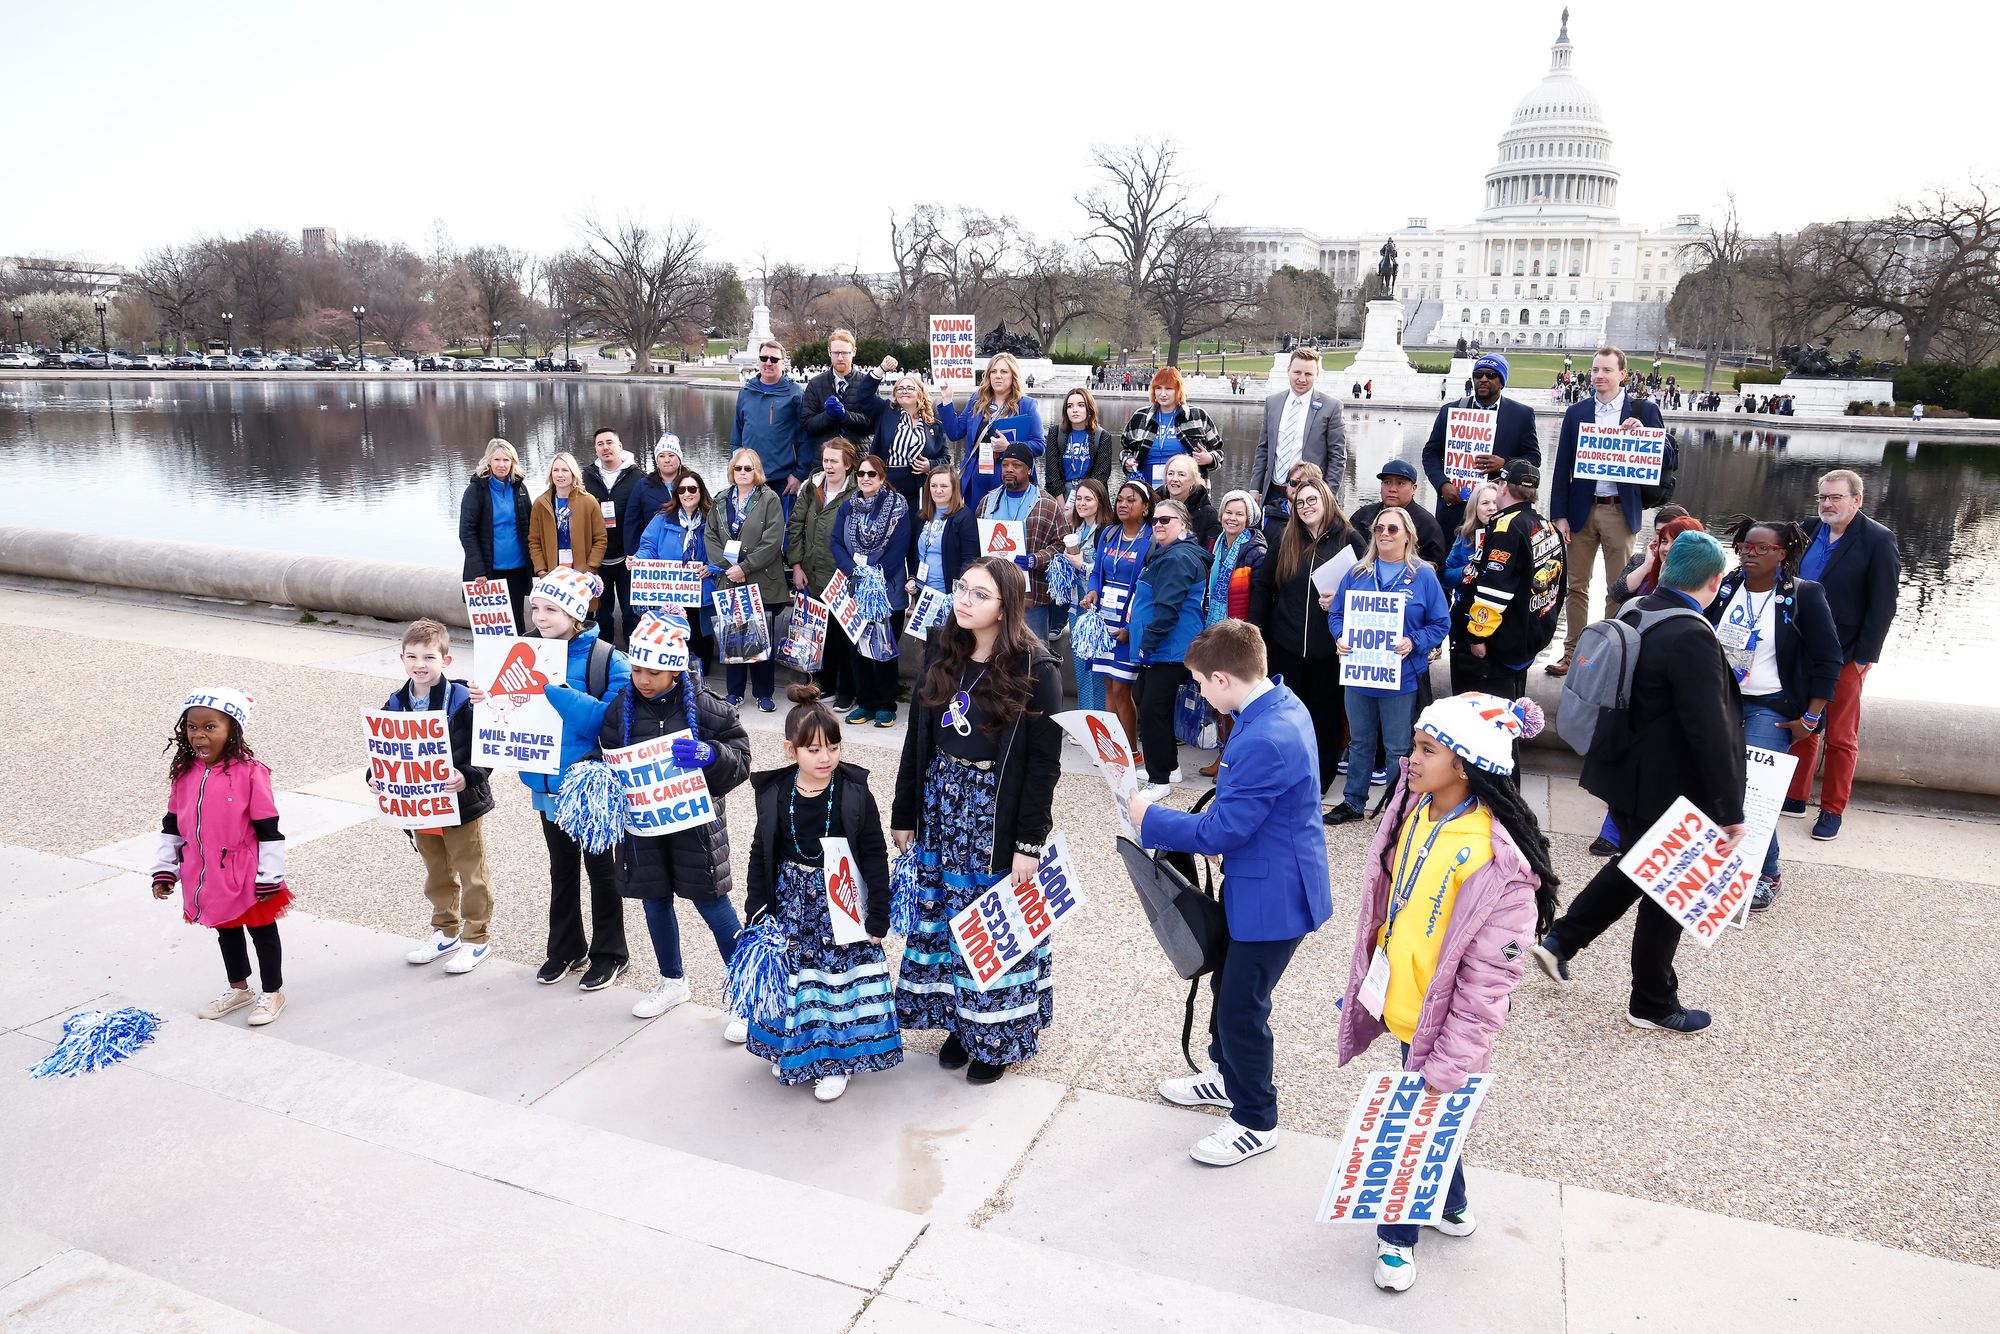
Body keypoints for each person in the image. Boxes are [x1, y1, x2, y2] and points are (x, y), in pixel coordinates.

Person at [1335, 692, 1557, 1293]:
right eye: (1414, 745)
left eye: (1427, 749)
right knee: (1431, 1117)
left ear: (1466, 763)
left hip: (1444, 1023)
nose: (1410, 758)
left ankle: (1397, 1238)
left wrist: (1455, 1058)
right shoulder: (1414, 806)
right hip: (1404, 1004)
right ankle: (1452, 1203)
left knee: (1411, 1126)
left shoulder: (1496, 860)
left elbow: (1490, 983)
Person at [1132, 621, 1334, 1166]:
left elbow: (1223, 830)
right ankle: (1225, 1075)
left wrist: (1149, 818)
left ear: (1223, 678)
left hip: (1275, 895)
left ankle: (1254, 1118)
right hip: (1270, 877)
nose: (1199, 692)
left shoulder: (1265, 734)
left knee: (1243, 1004)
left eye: (1200, 682)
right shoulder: (1278, 705)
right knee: (1230, 983)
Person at [1532, 532, 1745, 1035]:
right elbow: (1708, 729)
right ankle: (1651, 1000)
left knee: (1638, 868)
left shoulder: (1636, 611)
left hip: (1621, 772)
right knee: (1668, 889)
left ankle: (1563, 940)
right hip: (1668, 782)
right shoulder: (1692, 635)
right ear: (1714, 581)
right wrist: (1730, 807)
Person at [892, 558, 1063, 1085]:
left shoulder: (1039, 669)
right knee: (946, 920)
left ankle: (996, 1039)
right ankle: (959, 1024)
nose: (964, 599)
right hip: (944, 802)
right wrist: (905, 810)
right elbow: (916, 739)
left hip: (994, 813)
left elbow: (1043, 766)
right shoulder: (945, 651)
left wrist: (1029, 843)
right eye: (962, 588)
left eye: (980, 594)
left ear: (1007, 607)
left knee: (991, 926)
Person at [474, 567, 633, 991]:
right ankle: (565, 948)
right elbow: (510, 715)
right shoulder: (521, 650)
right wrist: (485, 698)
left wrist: (556, 689)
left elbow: (611, 721)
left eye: (551, 608)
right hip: (545, 782)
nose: (539, 616)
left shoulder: (606, 658)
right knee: (561, 871)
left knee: (602, 872)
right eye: (536, 607)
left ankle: (610, 953)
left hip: (589, 787)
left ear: (576, 612)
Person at [744, 685, 901, 1101]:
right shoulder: (775, 793)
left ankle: (836, 1060)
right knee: (796, 977)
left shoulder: (852, 791)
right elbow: (761, 850)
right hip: (792, 897)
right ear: (789, 749)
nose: (826, 757)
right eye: (813, 750)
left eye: (833, 747)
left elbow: (873, 852)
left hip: (841, 897)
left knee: (836, 981)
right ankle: (792, 1047)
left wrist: (878, 915)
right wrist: (756, 908)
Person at [600, 612, 752, 1022]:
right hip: (645, 829)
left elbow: (742, 761)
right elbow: (606, 755)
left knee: (715, 906)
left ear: (675, 668)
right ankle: (672, 981)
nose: (643, 679)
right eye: (636, 669)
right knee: (654, 902)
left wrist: (711, 755)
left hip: (697, 831)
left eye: (653, 671)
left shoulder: (707, 708)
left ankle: (746, 993)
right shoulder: (621, 709)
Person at [1708, 518, 1841, 910]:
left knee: (1752, 792)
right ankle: (1718, 866)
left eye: (1762, 548)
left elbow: (1828, 659)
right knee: (1716, 786)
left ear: (1782, 554)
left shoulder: (1804, 595)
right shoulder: (1724, 587)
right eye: (1746, 546)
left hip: (1772, 708)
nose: (1751, 553)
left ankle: (1767, 873)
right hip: (1722, 701)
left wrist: (1812, 718)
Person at [150, 689, 293, 1026]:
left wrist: (269, 875)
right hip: (205, 869)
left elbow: (268, 827)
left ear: (232, 731)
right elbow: (172, 823)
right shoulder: (185, 772)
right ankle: (239, 988)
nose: (199, 735)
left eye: (210, 727)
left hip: (247, 869)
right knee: (226, 931)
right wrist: (164, 870)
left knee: (261, 930)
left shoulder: (250, 772)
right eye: (192, 727)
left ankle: (272, 992)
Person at [1784, 468, 1900, 842]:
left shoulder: (1878, 540)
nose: (1827, 504)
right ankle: (1796, 796)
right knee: (1803, 721)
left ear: (1857, 500)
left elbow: (1883, 605)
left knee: (1841, 735)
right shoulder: (1807, 528)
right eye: (1822, 497)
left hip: (1848, 651)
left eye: (1835, 497)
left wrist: (1864, 657)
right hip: (1803, 645)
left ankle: (1832, 810)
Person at [1546, 345, 1676, 676]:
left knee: (1619, 586)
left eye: (1606, 370)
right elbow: (1562, 467)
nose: (1599, 376)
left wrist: (1648, 437)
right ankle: (1572, 651)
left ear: (1623, 375)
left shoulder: (1644, 410)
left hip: (1620, 510)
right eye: (1594, 371)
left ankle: (1608, 652)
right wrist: (1558, 514)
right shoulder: (1577, 412)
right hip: (1580, 511)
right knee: (1576, 585)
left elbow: (1669, 459)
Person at [376, 620, 495, 975]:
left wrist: (468, 776)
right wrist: (376, 776)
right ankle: (446, 931)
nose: (420, 663)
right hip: (420, 805)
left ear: (446, 660)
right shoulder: (395, 703)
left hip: (460, 802)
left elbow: (487, 747)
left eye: (429, 656)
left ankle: (477, 938)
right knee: (436, 871)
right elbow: (382, 750)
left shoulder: (463, 699)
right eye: (412, 656)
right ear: (401, 658)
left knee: (471, 870)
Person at [1324, 507, 1450, 826]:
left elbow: (1441, 622)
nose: (1384, 534)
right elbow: (1336, 614)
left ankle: (1399, 807)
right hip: (1361, 674)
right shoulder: (1357, 573)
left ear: (1408, 535)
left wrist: (1414, 641)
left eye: (1393, 529)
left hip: (1401, 677)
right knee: (1360, 742)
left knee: (1397, 746)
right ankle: (1353, 801)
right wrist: (1340, 637)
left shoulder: (1423, 575)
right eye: (1379, 528)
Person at [1248, 465, 1363, 802]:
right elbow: (1264, 584)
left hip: (1328, 647)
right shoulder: (1286, 539)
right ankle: (1286, 775)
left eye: (1313, 500)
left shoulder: (1350, 538)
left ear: (1327, 501)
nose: (1307, 506)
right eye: (1300, 503)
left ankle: (1321, 779)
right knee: (1286, 717)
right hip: (1286, 643)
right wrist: (1257, 631)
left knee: (1326, 717)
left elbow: (1370, 590)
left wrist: (1342, 602)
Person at [1451, 460, 1564, 702]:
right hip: (1526, 640)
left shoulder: (1507, 528)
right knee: (1509, 717)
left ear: (1503, 487)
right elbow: (1558, 589)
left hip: (1496, 649)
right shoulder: (1548, 527)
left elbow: (1494, 590)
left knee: (1485, 722)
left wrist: (1477, 636)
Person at [1128, 499, 1213, 796]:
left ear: (1184, 524)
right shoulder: (1169, 554)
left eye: (1166, 520)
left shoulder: (1177, 559)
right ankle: (1169, 766)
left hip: (1170, 649)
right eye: (1155, 520)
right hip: (1165, 648)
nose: (1158, 525)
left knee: (1152, 709)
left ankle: (1159, 778)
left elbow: (1167, 609)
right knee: (1150, 703)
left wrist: (1146, 646)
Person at [830, 454, 915, 727]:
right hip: (854, 586)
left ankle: (886, 704)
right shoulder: (848, 507)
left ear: (882, 477)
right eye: (861, 474)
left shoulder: (898, 506)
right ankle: (865, 702)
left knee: (883, 648)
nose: (865, 478)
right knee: (857, 647)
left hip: (885, 590)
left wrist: (873, 576)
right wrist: (854, 571)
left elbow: (899, 547)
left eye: (872, 474)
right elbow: (835, 542)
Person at [1421, 352, 1540, 536]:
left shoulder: (1521, 414)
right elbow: (1430, 454)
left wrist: (1505, 465)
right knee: (1450, 561)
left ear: (1502, 381)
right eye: (1478, 375)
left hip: (1500, 507)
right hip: (1455, 505)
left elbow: (1533, 459)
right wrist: (1442, 485)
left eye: (1491, 375)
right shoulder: (1450, 411)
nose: (1483, 379)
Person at [709, 448, 788, 713]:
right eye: (738, 468)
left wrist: (745, 567)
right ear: (732, 471)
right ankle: (734, 692)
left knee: (760, 636)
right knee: (734, 637)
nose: (743, 473)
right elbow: (710, 537)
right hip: (730, 579)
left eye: (748, 468)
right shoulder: (720, 499)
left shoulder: (770, 498)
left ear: (757, 472)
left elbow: (773, 540)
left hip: (759, 580)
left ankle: (763, 693)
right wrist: (727, 567)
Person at [1198, 490, 1266, 777]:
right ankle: (1224, 754)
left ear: (1248, 517)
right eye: (1228, 512)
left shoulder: (1254, 550)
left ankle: (1234, 759)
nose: (1232, 518)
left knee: (1234, 697)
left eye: (1239, 513)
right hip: (1213, 624)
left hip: (1237, 630)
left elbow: (1259, 596)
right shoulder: (1216, 545)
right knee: (1218, 695)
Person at [787, 440, 860, 708]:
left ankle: (846, 692)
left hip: (841, 575)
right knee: (819, 635)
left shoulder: (855, 491)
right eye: (826, 460)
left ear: (847, 464)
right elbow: (795, 525)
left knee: (844, 638)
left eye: (834, 461)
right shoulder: (811, 487)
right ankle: (822, 685)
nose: (828, 466)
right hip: (811, 572)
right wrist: (796, 565)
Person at [974, 440, 1068, 646]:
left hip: (1031, 596)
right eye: (1005, 464)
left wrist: (1036, 559)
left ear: (1029, 469)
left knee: (1034, 654)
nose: (1009, 469)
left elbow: (1062, 546)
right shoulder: (987, 502)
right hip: (994, 592)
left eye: (1016, 466)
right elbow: (977, 544)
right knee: (994, 650)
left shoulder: (1047, 504)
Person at [1085, 480, 1153, 758]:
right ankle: (1113, 747)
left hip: (1128, 620)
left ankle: (1131, 750)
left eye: (1131, 500)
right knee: (1109, 685)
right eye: (1120, 500)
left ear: (1146, 507)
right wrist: (1092, 591)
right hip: (1104, 620)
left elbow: (1145, 591)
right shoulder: (1109, 534)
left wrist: (1130, 627)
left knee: (1123, 687)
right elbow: (1097, 572)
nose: (1123, 505)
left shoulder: (1151, 540)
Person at [1250, 347, 1346, 541]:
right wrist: (1255, 488)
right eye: (1297, 372)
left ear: (1317, 374)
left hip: (1309, 497)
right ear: (1288, 371)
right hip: (1273, 493)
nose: (1302, 379)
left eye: (1308, 374)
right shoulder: (1273, 403)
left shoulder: (1331, 407)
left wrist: (1326, 495)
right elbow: (1264, 449)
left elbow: (1338, 457)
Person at [938, 352, 1044, 511]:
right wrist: (947, 400)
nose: (997, 376)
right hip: (977, 476)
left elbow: (1039, 445)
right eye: (993, 372)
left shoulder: (1026, 405)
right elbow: (954, 433)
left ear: (1013, 375)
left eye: (1003, 372)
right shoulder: (977, 400)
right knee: (976, 527)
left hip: (1009, 476)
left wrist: (1009, 446)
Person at [636, 469, 719, 669]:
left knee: (700, 639)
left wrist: (712, 567)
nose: (687, 494)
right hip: (671, 590)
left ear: (701, 491)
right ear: (676, 494)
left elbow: (725, 550)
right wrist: (638, 560)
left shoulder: (714, 518)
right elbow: (648, 547)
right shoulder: (663, 518)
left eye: (692, 488)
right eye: (682, 490)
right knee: (673, 636)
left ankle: (701, 683)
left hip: (701, 589)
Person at [458, 438, 534, 629]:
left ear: (513, 462)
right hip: (489, 572)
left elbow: (530, 526)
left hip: (517, 568)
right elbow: (466, 532)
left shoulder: (520, 488)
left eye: (506, 460)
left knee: (517, 623)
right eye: (497, 460)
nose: (502, 465)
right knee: (494, 628)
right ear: (489, 461)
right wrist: (479, 571)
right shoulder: (476, 490)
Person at [1057, 479, 1112, 715]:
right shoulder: (1077, 530)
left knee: (1094, 666)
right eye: (1078, 498)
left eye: (1088, 499)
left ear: (1100, 502)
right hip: (1075, 606)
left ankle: (1096, 720)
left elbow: (1108, 572)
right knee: (1080, 664)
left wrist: (1081, 565)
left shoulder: (1106, 532)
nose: (1082, 503)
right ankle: (1084, 717)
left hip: (1095, 608)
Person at [584, 427, 642, 647]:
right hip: (598, 559)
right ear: (596, 449)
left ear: (620, 446)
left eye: (610, 442)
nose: (605, 447)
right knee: (602, 614)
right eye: (600, 444)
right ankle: (603, 658)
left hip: (627, 559)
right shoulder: (586, 477)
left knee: (631, 613)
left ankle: (634, 662)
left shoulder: (637, 476)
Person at [1121, 368, 1223, 491]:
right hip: (1145, 487)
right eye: (1158, 388)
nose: (1162, 394)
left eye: (1168, 389)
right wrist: (1127, 462)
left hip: (1186, 490)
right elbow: (1125, 450)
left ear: (1178, 390)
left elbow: (1219, 451)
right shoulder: (1140, 416)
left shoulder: (1197, 416)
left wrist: (1210, 459)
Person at [733, 339, 809, 505]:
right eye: (764, 358)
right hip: (749, 479)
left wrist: (799, 474)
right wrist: (736, 469)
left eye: (774, 359)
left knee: (779, 530)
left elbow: (806, 437)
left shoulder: (795, 394)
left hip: (782, 482)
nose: (768, 363)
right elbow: (736, 436)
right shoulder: (746, 392)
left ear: (783, 363)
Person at [801, 328, 891, 461]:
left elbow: (873, 424)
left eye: (845, 353)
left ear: (854, 351)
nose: (840, 358)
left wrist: (845, 416)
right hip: (825, 460)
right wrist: (828, 415)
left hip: (858, 458)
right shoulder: (815, 384)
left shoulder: (867, 383)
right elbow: (807, 425)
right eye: (836, 353)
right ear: (829, 352)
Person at [1349, 460, 1448, 577]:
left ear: (1414, 488)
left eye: (1400, 483)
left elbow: (1437, 568)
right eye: (1387, 482)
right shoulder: (1362, 515)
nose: (1392, 489)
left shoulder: (1427, 524)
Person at [871, 373, 950, 508]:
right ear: (895, 394)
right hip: (890, 482)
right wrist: (881, 370)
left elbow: (946, 459)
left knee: (916, 525)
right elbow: (863, 395)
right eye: (900, 388)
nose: (904, 391)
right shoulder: (886, 414)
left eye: (909, 388)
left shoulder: (934, 425)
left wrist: (930, 465)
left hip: (921, 486)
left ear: (919, 392)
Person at [528, 452, 607, 584]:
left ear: (573, 473)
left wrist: (590, 567)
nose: (560, 475)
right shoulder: (540, 503)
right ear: (550, 474)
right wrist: (541, 570)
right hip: (552, 572)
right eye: (556, 470)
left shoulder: (589, 501)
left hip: (582, 572)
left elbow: (600, 539)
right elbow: (534, 541)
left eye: (565, 470)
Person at [908, 466, 978, 602]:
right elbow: (912, 552)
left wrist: (960, 591)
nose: (938, 490)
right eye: (933, 486)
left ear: (954, 488)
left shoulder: (964, 517)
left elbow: (969, 560)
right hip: (922, 591)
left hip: (948, 594)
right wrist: (911, 576)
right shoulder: (921, 516)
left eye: (944, 486)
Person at [1046, 386, 1118, 505]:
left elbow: (1100, 477)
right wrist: (1063, 507)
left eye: (1081, 405)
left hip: (1091, 497)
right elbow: (1052, 474)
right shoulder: (1055, 433)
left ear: (1089, 409)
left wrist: (1081, 506)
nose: (1075, 410)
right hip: (1062, 494)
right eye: (1070, 406)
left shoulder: (1103, 436)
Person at [625, 433, 686, 567]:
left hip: (688, 553)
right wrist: (633, 555)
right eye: (662, 456)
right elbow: (632, 523)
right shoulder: (643, 486)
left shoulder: (691, 483)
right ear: (657, 460)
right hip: (653, 553)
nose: (667, 460)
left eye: (671, 455)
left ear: (679, 458)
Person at [1443, 481, 1502, 607]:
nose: (1491, 507)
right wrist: (1465, 570)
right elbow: (1445, 576)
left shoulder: (1513, 535)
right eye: (1485, 503)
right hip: (1465, 607)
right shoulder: (1465, 535)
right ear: (1475, 508)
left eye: (1496, 503)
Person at [1160, 455, 1220, 548]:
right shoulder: (1153, 505)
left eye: (1181, 474)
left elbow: (1210, 554)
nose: (1174, 479)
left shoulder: (1208, 514)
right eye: (1170, 474)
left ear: (1193, 480)